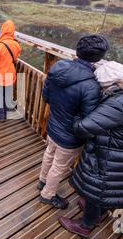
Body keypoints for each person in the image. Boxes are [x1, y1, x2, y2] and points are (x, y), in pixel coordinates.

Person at [59, 61, 123, 238]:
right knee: (107, 188)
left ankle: (85, 225)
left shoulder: (118, 104)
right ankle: (100, 212)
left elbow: (83, 127)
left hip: (110, 156)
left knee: (97, 188)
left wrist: (75, 116)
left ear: (108, 84)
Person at [38, 35, 109, 209]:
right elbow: (88, 116)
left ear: (78, 51)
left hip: (53, 124)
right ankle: (47, 194)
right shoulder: (91, 85)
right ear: (98, 58)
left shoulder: (58, 67)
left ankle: (42, 181)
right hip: (69, 135)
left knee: (49, 153)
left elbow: (46, 95)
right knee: (60, 165)